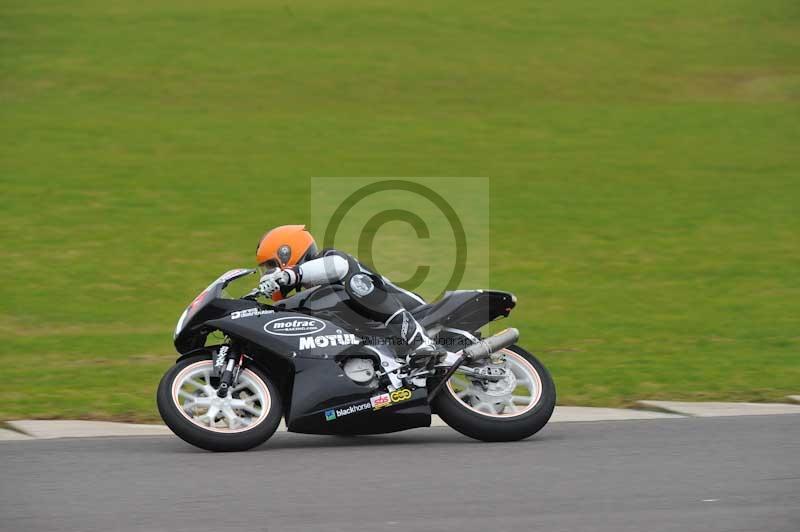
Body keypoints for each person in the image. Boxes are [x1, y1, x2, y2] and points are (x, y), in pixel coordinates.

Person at [255, 224, 442, 362]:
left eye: (271, 266)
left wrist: (291, 275)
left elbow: (339, 266)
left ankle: (420, 341)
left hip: (409, 307)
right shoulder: (311, 296)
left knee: (356, 284)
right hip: (379, 334)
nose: (270, 273)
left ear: (287, 253)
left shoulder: (329, 258)